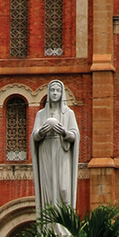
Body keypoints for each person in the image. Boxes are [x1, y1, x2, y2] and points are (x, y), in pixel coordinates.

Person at [31, 80, 80, 223]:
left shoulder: (69, 114)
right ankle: (49, 227)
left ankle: (64, 226)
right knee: (48, 189)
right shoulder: (41, 114)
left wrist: (64, 133)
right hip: (46, 153)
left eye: (58, 91)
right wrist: (41, 132)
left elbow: (74, 135)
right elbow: (34, 136)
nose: (54, 93)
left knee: (63, 189)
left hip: (62, 152)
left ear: (62, 93)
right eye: (52, 90)